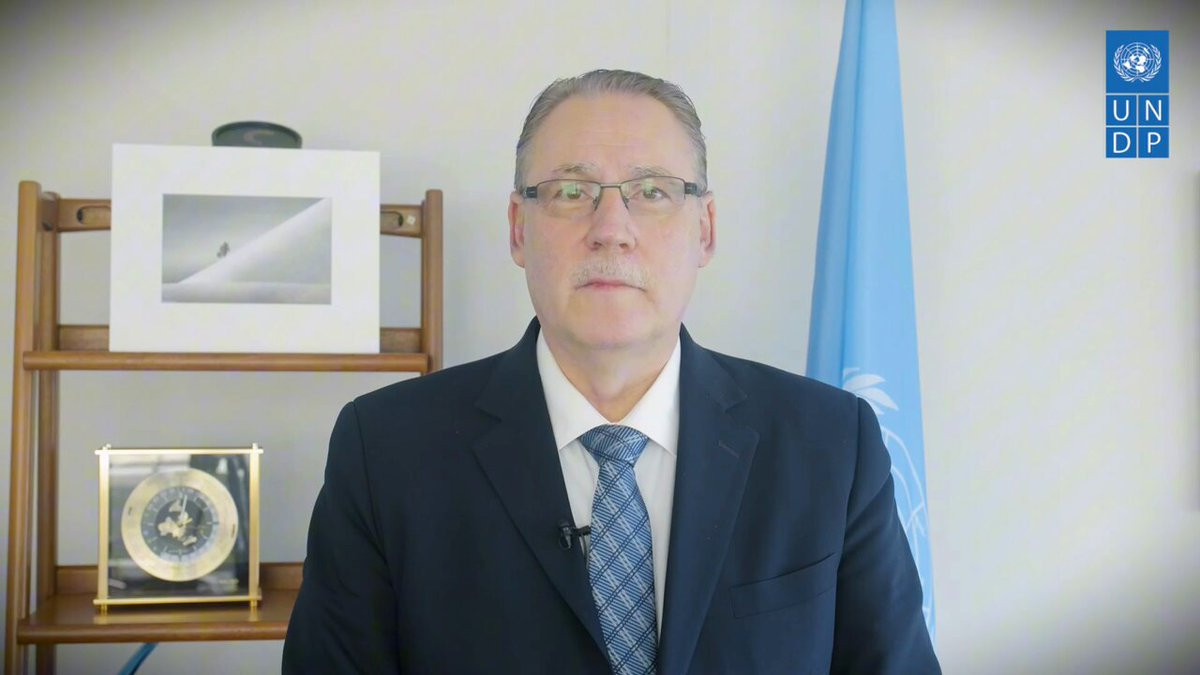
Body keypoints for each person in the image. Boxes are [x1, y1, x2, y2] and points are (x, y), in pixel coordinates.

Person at [283, 69, 939, 674]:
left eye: (652, 192)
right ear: (518, 229)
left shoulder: (831, 443)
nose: (611, 229)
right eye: (571, 191)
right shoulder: (385, 451)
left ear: (705, 230)